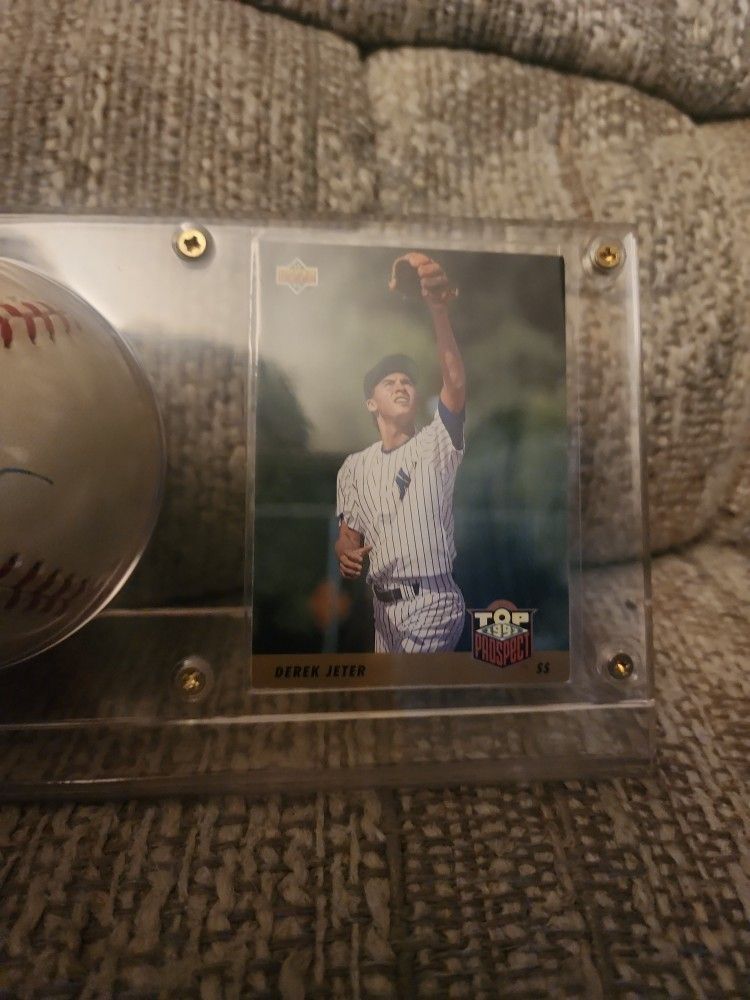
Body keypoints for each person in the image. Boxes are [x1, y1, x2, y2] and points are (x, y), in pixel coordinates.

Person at [334, 252, 466, 653]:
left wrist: (439, 312)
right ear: (371, 403)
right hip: (383, 610)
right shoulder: (354, 466)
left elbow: (456, 385)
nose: (401, 385)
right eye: (388, 381)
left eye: (407, 380)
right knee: (391, 709)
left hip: (433, 601)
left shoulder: (436, 443)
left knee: (407, 693)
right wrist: (346, 555)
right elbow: (347, 536)